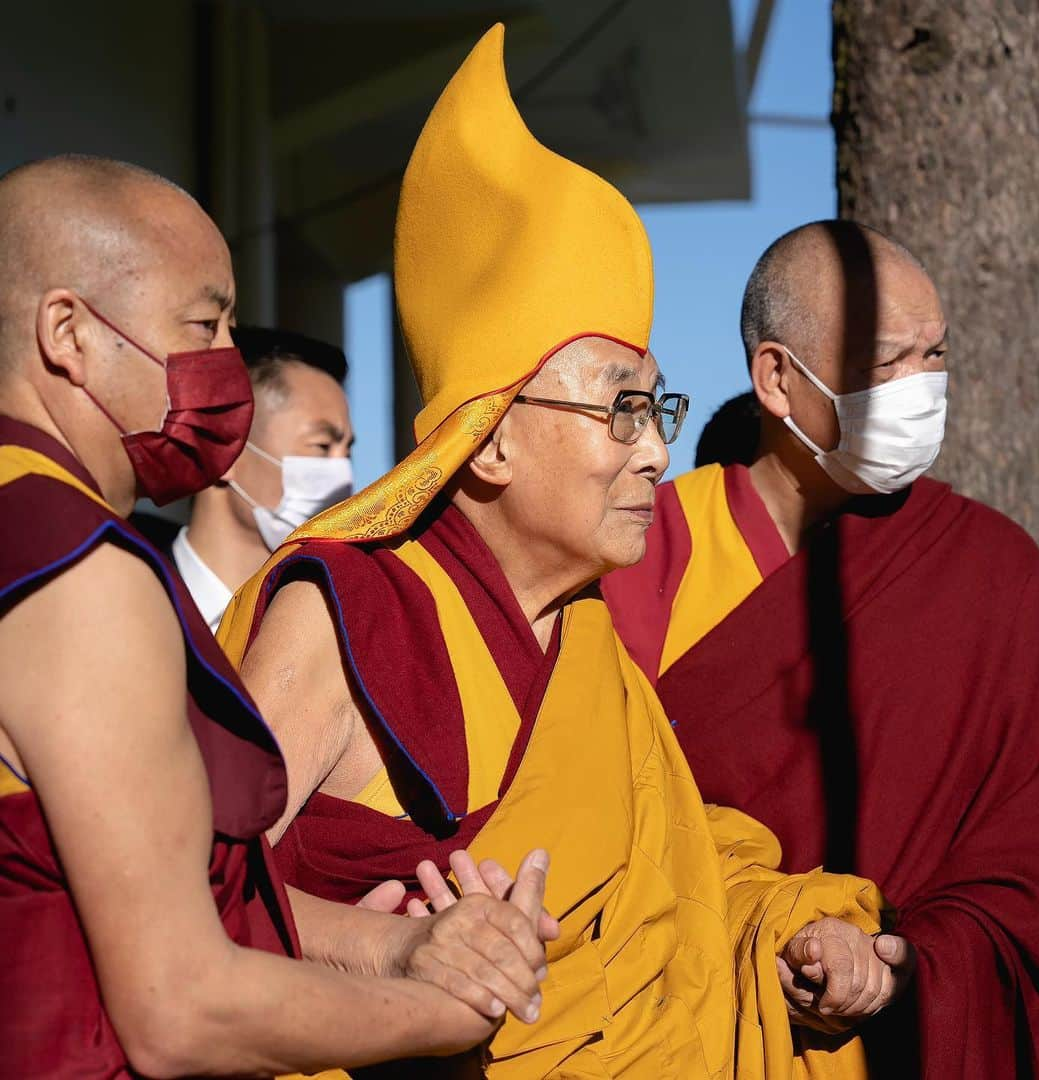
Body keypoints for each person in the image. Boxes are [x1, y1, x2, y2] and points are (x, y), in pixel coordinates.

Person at [220, 28, 913, 1079]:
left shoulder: (584, 642)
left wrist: (789, 932)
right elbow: (183, 897)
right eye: (622, 410)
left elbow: (672, 884)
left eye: (658, 406)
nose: (658, 451)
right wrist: (391, 947)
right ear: (491, 435)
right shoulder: (352, 615)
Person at [0, 153, 556, 1078]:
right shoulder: (77, 565)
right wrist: (441, 1013)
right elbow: (178, 1008)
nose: (225, 363)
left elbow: (135, 881)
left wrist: (387, 950)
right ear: (69, 332)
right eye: (203, 321)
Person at [602, 220, 1039, 1078]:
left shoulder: (989, 568)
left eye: (935, 354)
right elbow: (602, 820)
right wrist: (777, 923)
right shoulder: (643, 555)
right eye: (889, 361)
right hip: (695, 1028)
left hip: (910, 1032)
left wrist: (914, 960)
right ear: (778, 379)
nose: (922, 385)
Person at [173, 325, 354, 630]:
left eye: (348, 452)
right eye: (322, 446)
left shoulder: (339, 625)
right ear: (224, 450)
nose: (344, 476)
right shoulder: (123, 603)